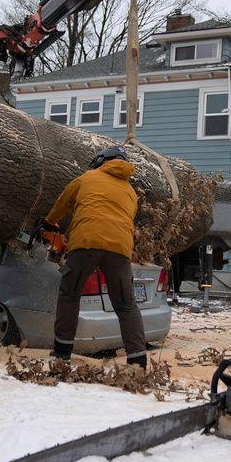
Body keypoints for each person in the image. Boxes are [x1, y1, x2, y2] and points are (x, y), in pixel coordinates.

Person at [35, 146, 147, 368]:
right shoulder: (131, 192)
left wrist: (49, 222)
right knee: (126, 306)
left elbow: (63, 202)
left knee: (70, 294)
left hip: (85, 243)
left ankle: (62, 354)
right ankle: (138, 362)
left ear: (101, 161)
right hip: (120, 250)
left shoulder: (87, 177)